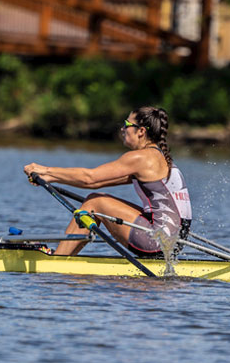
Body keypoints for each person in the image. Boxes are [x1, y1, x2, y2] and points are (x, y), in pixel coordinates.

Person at [23, 106, 192, 257]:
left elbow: (89, 178)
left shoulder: (141, 158)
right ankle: (64, 255)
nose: (122, 128)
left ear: (141, 131)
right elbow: (96, 182)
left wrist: (44, 170)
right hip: (173, 241)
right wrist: (51, 178)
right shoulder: (157, 157)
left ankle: (59, 259)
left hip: (158, 241)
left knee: (95, 202)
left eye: (127, 124)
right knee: (95, 198)